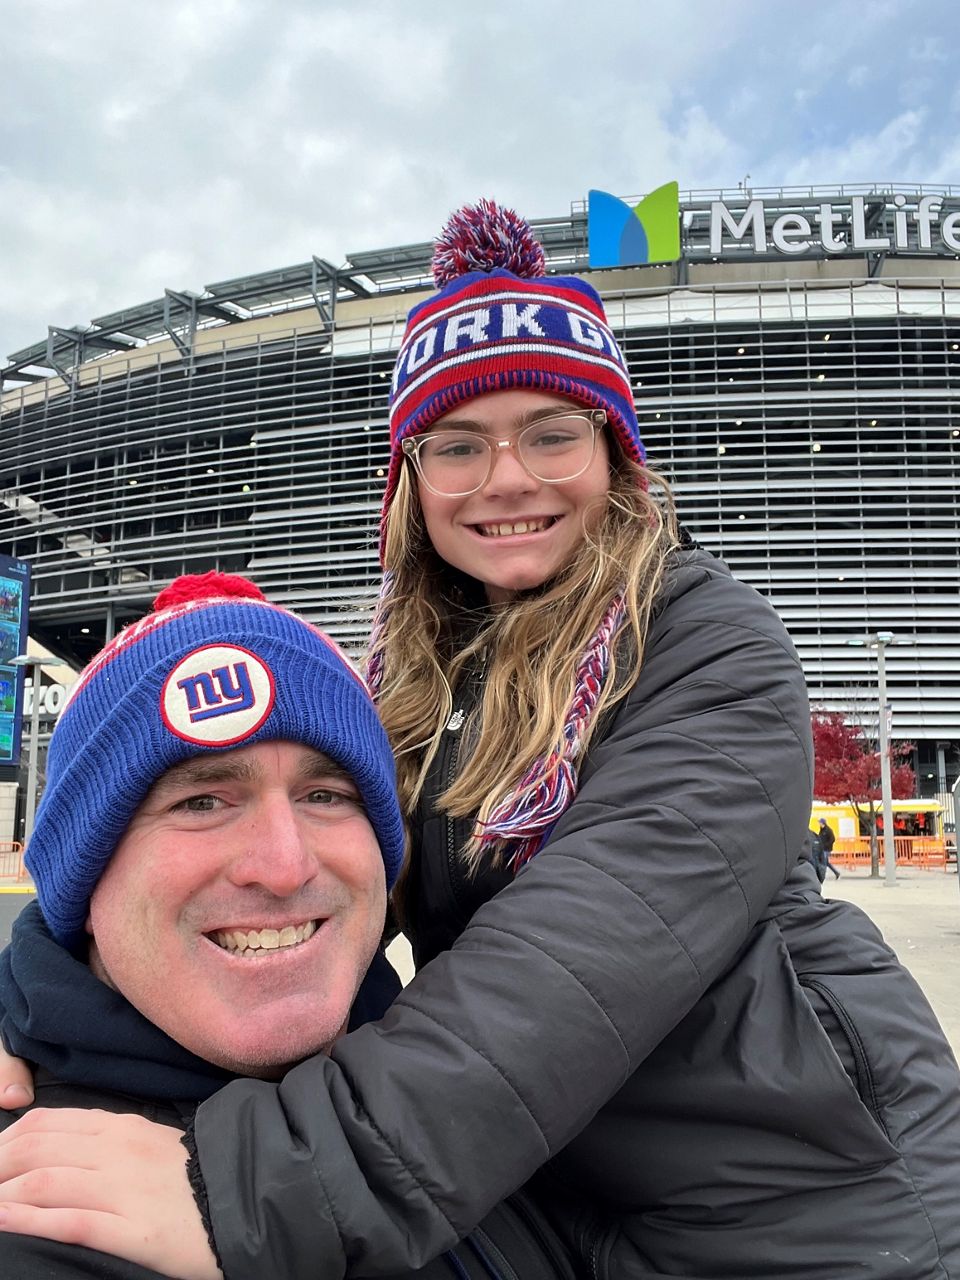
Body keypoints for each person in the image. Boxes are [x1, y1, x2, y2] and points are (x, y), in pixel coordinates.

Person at [0, 202, 959, 1280]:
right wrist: (42, 1022)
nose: (507, 478)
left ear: (616, 455)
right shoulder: (414, 689)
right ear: (411, 487)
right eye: (458, 445)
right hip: (550, 1194)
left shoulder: (701, 637)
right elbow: (259, 890)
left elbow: (582, 954)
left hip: (808, 1209)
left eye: (552, 430)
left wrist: (264, 1185)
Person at [0, 571, 576, 1280]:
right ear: (81, 879)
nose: (283, 864)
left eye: (326, 794)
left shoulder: (470, 1094)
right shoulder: (37, 1197)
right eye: (203, 801)